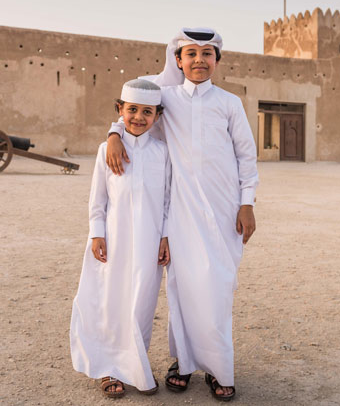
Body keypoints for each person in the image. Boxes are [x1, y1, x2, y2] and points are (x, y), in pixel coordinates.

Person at [105, 28, 258, 402]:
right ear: (178, 60)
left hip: (224, 211)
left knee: (218, 289)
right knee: (182, 288)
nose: (199, 60)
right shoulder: (166, 97)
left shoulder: (229, 103)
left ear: (217, 61)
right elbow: (133, 109)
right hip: (182, 211)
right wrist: (113, 132)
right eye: (191, 54)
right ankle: (183, 363)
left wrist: (247, 202)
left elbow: (246, 156)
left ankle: (220, 369)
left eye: (207, 54)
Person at [70, 78, 172, 398]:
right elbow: (97, 199)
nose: (139, 117)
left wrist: (165, 236)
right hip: (113, 241)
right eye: (132, 110)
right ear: (120, 110)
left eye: (147, 112)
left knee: (142, 304)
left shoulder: (162, 153)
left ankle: (136, 366)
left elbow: (169, 200)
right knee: (110, 303)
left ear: (158, 115)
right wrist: (96, 234)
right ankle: (108, 369)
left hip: (149, 241)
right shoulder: (107, 149)